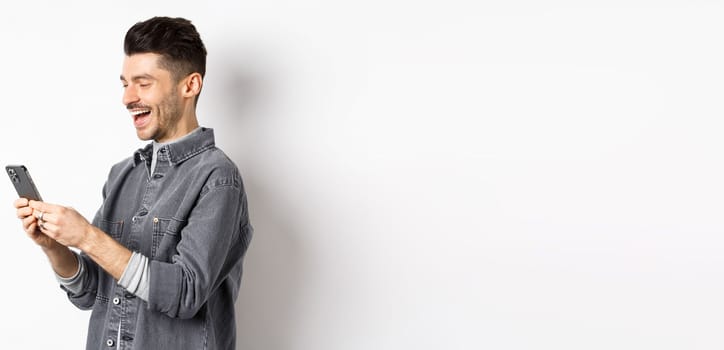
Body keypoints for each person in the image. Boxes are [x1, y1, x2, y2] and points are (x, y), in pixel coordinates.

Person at [13, 16, 253, 350]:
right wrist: (53, 246)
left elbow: (185, 294)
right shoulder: (122, 174)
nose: (127, 98)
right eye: (125, 83)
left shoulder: (218, 179)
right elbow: (91, 293)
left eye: (143, 83)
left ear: (190, 85)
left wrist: (86, 235)